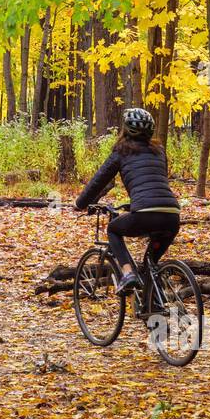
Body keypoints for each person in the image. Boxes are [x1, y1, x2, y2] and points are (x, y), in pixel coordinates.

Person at [74, 107, 180, 297]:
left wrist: (80, 203)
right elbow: (154, 181)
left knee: (113, 229)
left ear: (125, 129)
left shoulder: (121, 151)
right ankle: (154, 308)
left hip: (145, 213)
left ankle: (128, 273)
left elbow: (99, 180)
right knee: (151, 264)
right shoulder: (159, 151)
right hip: (172, 215)